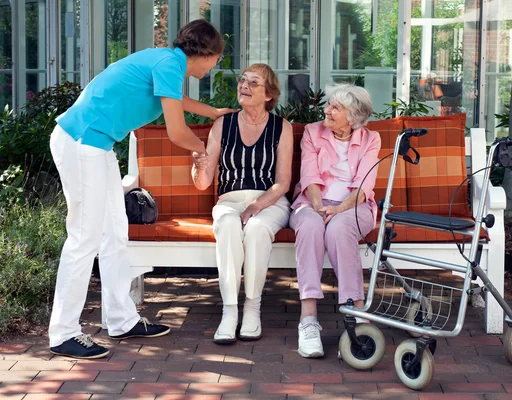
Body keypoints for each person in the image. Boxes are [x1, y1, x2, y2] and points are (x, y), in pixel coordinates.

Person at [48, 19, 235, 359]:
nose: (216, 65)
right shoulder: (169, 64)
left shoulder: (168, 63)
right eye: (217, 59)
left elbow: (173, 102)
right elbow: (177, 132)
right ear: (206, 53)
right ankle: (64, 333)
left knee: (116, 232)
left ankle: (121, 320)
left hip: (97, 145)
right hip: (80, 141)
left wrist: (211, 111)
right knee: (84, 237)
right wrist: (203, 151)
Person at [191, 63, 293, 344]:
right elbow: (203, 182)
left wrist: (256, 205)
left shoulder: (281, 128)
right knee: (227, 224)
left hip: (270, 202)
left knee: (258, 228)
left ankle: (252, 307)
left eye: (253, 83)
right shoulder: (222, 125)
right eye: (242, 81)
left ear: (269, 94)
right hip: (229, 200)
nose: (244, 86)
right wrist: (198, 166)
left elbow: (283, 183)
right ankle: (229, 311)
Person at [289, 83, 381, 358]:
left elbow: (364, 185)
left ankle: (357, 317)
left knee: (340, 229)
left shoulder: (370, 139)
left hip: (354, 207)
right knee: (309, 225)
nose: (326, 110)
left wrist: (339, 209)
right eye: (329, 104)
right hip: (313, 202)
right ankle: (308, 320)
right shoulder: (312, 132)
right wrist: (319, 208)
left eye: (335, 108)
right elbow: (309, 175)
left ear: (352, 118)